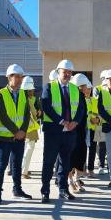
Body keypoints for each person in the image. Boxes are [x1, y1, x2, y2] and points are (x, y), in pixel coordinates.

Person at [40, 60, 86, 203]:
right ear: (58, 72)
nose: (67, 74)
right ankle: (45, 191)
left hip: (70, 132)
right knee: (49, 162)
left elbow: (81, 109)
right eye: (64, 71)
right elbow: (46, 106)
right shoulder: (49, 87)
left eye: (69, 72)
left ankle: (63, 189)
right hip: (53, 131)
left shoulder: (74, 89)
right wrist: (62, 121)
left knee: (65, 163)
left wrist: (75, 122)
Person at [0, 64, 32, 205]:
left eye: (21, 77)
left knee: (17, 165)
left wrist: (22, 131)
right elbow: (2, 116)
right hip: (4, 137)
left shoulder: (23, 93)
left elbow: (26, 114)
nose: (20, 79)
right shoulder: (0, 94)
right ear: (9, 77)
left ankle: (17, 190)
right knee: (1, 166)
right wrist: (17, 131)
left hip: (19, 138)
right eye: (17, 77)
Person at [69, 73, 92, 192]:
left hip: (82, 132)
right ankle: (70, 182)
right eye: (83, 86)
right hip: (72, 132)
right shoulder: (71, 96)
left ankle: (77, 179)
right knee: (70, 158)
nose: (85, 88)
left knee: (80, 158)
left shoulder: (83, 97)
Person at [21, 76, 41, 179]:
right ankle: (24, 171)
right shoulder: (25, 100)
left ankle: (24, 169)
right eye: (31, 89)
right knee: (29, 148)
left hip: (29, 127)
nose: (33, 91)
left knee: (27, 148)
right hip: (29, 127)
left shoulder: (29, 98)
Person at [84, 75, 100, 178]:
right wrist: (89, 119)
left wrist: (97, 120)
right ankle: (82, 170)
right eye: (87, 89)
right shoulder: (81, 100)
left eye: (90, 89)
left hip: (93, 128)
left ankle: (90, 169)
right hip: (84, 129)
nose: (88, 91)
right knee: (83, 150)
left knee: (93, 149)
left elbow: (98, 114)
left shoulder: (95, 100)